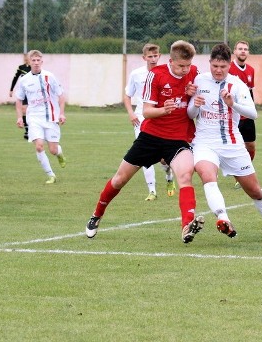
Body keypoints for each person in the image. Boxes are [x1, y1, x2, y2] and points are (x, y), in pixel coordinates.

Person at [86, 40, 204, 244]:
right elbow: (146, 111)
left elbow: (194, 104)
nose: (185, 70)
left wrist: (193, 97)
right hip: (150, 137)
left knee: (185, 176)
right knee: (119, 179)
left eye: (188, 65)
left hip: (178, 138)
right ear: (171, 61)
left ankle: (186, 226)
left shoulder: (194, 72)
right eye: (181, 66)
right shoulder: (156, 75)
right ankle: (97, 215)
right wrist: (163, 110)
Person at [187, 43, 262, 243]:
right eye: (215, 66)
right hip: (204, 143)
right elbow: (191, 113)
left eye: (223, 67)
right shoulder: (199, 80)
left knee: (255, 191)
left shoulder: (237, 85)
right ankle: (223, 219)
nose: (218, 70)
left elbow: (253, 113)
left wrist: (232, 104)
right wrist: (195, 104)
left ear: (229, 65)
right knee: (208, 177)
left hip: (232, 144)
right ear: (210, 63)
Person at [123, 43, 175, 201]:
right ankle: (152, 190)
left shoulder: (166, 73)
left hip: (160, 117)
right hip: (141, 118)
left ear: (159, 56)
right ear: (144, 57)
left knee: (163, 158)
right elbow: (127, 95)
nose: (153, 59)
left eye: (155, 56)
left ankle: (169, 177)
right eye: (150, 56)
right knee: (145, 154)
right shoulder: (136, 74)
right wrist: (131, 113)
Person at [14, 50, 67, 184]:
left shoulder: (50, 76)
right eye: (34, 60)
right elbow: (19, 100)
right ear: (29, 62)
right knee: (39, 146)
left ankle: (59, 153)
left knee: (53, 150)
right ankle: (51, 175)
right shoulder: (24, 80)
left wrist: (61, 113)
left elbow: (61, 95)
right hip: (34, 118)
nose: (36, 63)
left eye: (38, 60)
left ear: (42, 62)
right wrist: (20, 117)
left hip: (51, 116)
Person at [228, 40, 256, 189]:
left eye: (245, 49)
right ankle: (239, 177)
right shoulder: (229, 68)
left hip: (247, 115)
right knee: (236, 146)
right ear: (234, 51)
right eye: (240, 49)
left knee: (250, 145)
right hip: (234, 115)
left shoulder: (251, 70)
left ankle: (245, 172)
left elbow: (251, 92)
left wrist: (253, 110)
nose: (243, 51)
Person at [10, 54, 31, 140]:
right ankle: (27, 131)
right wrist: (11, 89)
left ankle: (35, 129)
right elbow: (15, 78)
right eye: (26, 57)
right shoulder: (21, 67)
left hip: (32, 92)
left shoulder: (34, 68)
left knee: (32, 111)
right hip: (24, 92)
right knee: (24, 110)